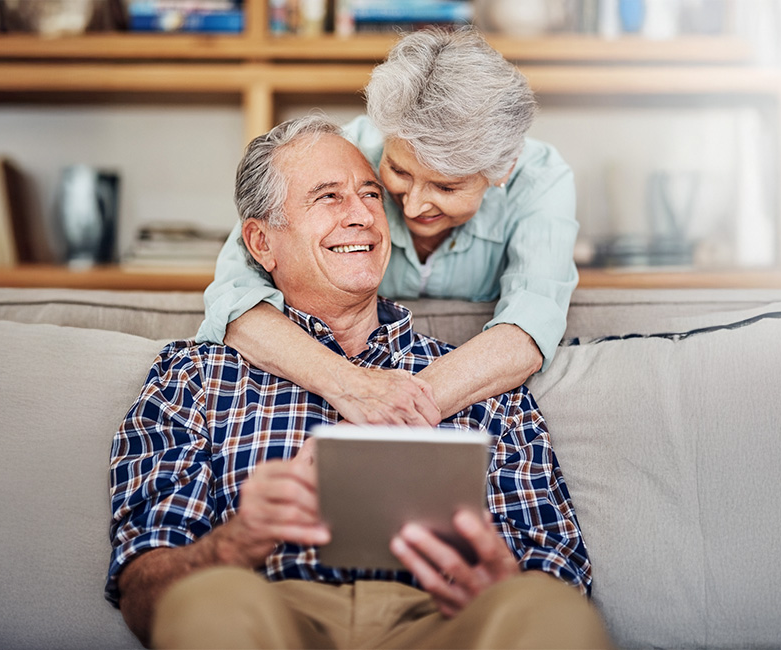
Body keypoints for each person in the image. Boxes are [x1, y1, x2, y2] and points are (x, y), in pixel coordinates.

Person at [107, 116, 610, 649]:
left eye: (372, 194)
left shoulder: (483, 381)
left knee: (551, 614)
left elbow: (561, 571)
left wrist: (502, 582)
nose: (363, 215)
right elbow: (143, 592)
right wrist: (232, 545)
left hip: (445, 623)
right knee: (207, 604)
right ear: (260, 242)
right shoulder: (195, 376)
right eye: (328, 197)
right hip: (269, 613)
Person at [197, 27, 579, 428]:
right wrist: (351, 385)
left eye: (446, 185)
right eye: (397, 171)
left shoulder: (540, 178)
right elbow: (234, 299)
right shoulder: (346, 153)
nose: (412, 205)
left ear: (504, 168)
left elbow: (529, 328)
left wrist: (380, 421)